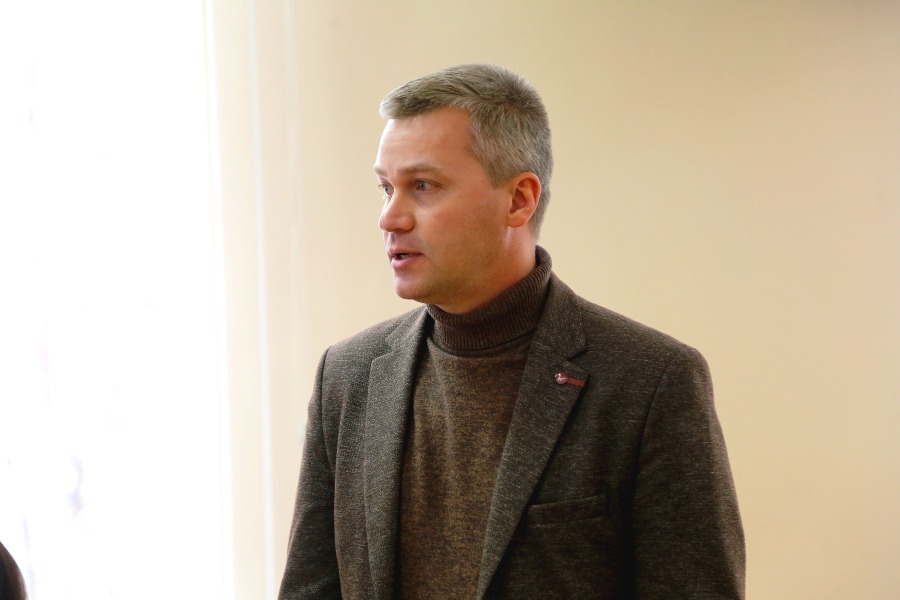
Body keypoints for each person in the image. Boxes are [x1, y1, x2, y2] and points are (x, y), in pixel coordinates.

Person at [278, 64, 744, 599]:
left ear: (519, 199)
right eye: (386, 188)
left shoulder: (651, 380)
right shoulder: (346, 375)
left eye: (423, 186)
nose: (390, 218)